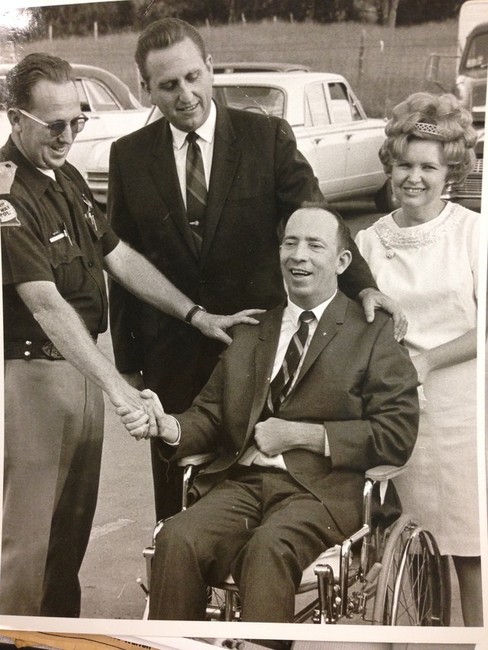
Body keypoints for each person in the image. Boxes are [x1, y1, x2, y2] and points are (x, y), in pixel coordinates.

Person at [108, 17, 406, 523]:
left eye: (193, 77)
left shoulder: (264, 136)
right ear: (146, 90)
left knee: (259, 491)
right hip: (173, 352)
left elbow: (318, 219)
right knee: (177, 501)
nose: (185, 94)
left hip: (260, 348)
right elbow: (121, 260)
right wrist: (129, 360)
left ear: (208, 68)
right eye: (168, 85)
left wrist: (364, 289)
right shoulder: (128, 156)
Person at [0, 53, 258, 617]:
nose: (68, 136)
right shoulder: (8, 194)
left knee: (70, 530)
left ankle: (57, 633)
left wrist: (195, 314)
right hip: (36, 373)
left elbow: (116, 255)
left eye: (78, 122)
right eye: (54, 125)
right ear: (15, 118)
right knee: (27, 540)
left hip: (81, 368)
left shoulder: (62, 174)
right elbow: (44, 302)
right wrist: (119, 389)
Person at [121, 203, 419, 622]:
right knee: (176, 537)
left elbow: (397, 433)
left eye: (315, 245)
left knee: (267, 549)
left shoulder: (372, 332)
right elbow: (209, 416)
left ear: (342, 261)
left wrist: (302, 435)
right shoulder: (252, 331)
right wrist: (167, 425)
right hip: (242, 484)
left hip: (321, 492)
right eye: (290, 243)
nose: (298, 255)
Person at [355, 92, 482, 626]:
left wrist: (427, 363)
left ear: (449, 170)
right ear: (389, 165)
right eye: (404, 164)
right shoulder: (368, 242)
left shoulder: (474, 234)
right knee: (404, 560)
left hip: (463, 415)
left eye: (428, 166)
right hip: (396, 415)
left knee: (471, 553)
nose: (414, 177)